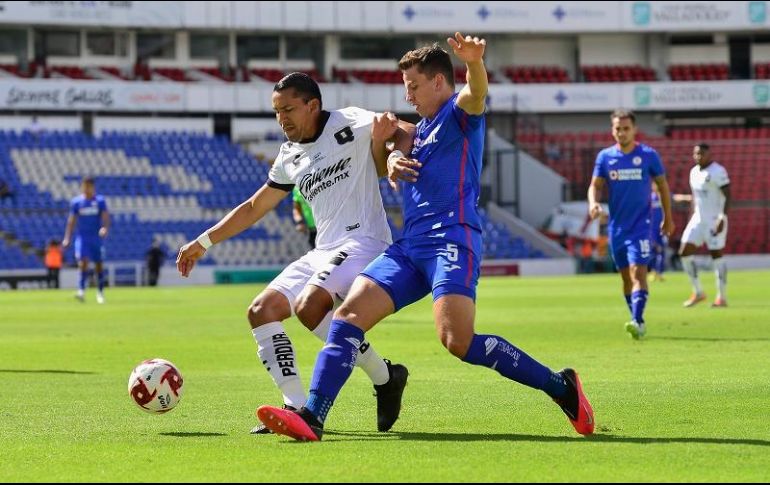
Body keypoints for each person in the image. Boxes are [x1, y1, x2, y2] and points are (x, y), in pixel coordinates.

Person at [255, 34, 595, 442]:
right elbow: (401, 139)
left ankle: (561, 387)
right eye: (405, 88)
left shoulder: (458, 114)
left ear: (438, 82)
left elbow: (476, 94)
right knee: (347, 319)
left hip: (453, 241)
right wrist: (393, 155)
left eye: (414, 86)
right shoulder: (419, 129)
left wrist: (474, 63)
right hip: (409, 248)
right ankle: (313, 415)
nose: (408, 95)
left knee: (458, 341)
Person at [176, 72, 409, 435]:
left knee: (309, 305)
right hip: (325, 248)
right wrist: (203, 242)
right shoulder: (289, 155)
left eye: (287, 109)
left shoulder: (351, 121)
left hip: (364, 240)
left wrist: (392, 153)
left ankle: (371, 383)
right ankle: (302, 403)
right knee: (261, 310)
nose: (281, 118)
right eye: (275, 111)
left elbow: (403, 129)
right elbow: (255, 206)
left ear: (312, 105)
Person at [587, 110, 674, 340]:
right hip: (616, 228)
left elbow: (663, 186)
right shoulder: (605, 157)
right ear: (612, 130)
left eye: (626, 128)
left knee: (638, 273)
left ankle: (636, 319)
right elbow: (595, 185)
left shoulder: (648, 155)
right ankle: (638, 318)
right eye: (618, 128)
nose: (622, 132)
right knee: (626, 278)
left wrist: (668, 217)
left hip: (641, 226)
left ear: (634, 130)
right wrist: (593, 202)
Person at [674, 143, 730, 308]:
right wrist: (693, 217)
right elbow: (696, 198)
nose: (698, 156)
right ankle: (698, 292)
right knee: (684, 252)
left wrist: (722, 217)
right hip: (698, 219)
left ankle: (722, 296)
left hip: (715, 219)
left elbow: (728, 195)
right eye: (696, 153)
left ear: (709, 154)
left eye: (702, 153)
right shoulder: (693, 172)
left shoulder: (718, 171)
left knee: (716, 255)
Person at [62, 177, 110, 304]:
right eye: (85, 186)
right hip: (83, 238)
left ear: (93, 187)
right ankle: (81, 291)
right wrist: (67, 238)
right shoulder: (76, 202)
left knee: (99, 264)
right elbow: (71, 221)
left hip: (96, 238)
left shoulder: (100, 201)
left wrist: (104, 228)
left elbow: (105, 217)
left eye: (89, 186)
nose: (87, 189)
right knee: (83, 262)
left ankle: (100, 292)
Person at [647, 184, 667, 282]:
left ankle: (660, 272)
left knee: (662, 250)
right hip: (652, 229)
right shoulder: (650, 197)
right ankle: (653, 271)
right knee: (653, 250)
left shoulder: (663, 196)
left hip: (662, 228)